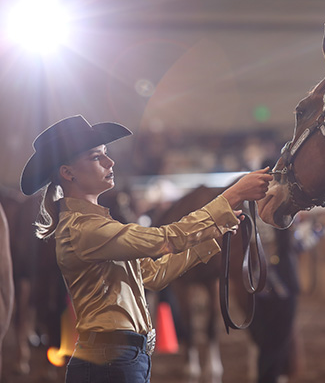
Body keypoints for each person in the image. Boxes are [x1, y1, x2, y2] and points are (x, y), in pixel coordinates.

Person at [19, 115, 273, 383]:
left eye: (106, 154)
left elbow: (151, 275)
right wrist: (230, 197)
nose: (110, 162)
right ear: (68, 172)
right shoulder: (84, 229)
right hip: (112, 361)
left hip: (121, 357)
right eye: (96, 157)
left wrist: (210, 239)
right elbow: (164, 238)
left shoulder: (94, 225)